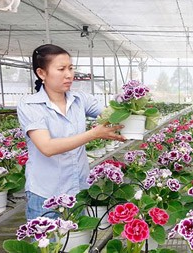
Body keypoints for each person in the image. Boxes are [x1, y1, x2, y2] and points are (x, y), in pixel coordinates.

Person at [17, 44, 126, 220]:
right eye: (61, 69)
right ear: (41, 73)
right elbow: (47, 147)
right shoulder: (30, 105)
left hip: (77, 191)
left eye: (71, 68)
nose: (69, 74)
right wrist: (93, 134)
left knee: (78, 245)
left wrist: (131, 103)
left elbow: (111, 115)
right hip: (45, 196)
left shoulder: (80, 99)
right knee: (48, 246)